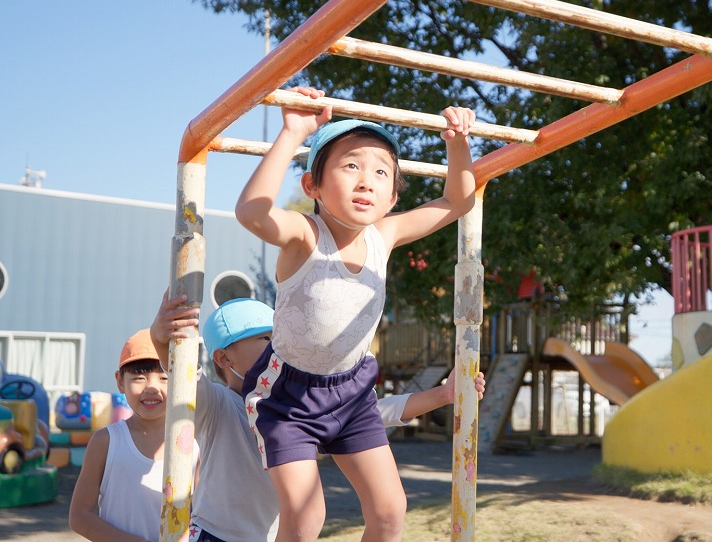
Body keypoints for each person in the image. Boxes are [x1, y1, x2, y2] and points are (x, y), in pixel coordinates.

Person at [233, 85, 477, 542]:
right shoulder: (306, 235)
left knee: (389, 512)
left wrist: (457, 143)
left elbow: (457, 201)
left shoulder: (384, 235)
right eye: (350, 166)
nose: (367, 180)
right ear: (313, 187)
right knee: (306, 518)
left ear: (391, 199)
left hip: (353, 392)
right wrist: (292, 134)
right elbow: (251, 212)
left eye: (381, 173)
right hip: (287, 398)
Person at [153, 292, 485, 542]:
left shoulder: (297, 404)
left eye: (279, 338)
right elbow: (185, 379)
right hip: (216, 536)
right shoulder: (219, 403)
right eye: (265, 339)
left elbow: (380, 411)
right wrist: (161, 338)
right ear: (224, 358)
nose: (278, 347)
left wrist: (442, 395)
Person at [69, 328, 197, 542]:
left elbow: (203, 515)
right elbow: (80, 517)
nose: (152, 387)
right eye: (139, 377)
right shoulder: (106, 442)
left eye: (164, 377)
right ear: (120, 381)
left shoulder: (195, 444)